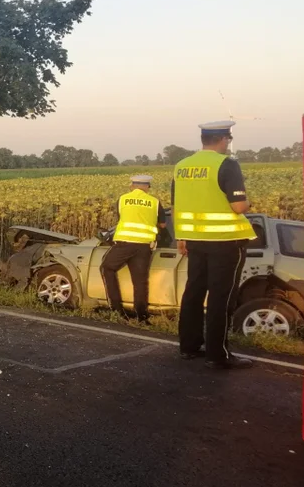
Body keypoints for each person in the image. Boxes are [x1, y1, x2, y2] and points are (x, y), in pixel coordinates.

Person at [172, 121, 256, 370]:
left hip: (194, 240)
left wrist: (181, 236)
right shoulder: (226, 163)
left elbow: (176, 206)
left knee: (194, 292)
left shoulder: (181, 166)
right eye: (228, 140)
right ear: (223, 139)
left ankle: (188, 347)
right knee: (222, 297)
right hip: (225, 242)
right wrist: (249, 202)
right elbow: (238, 206)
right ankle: (217, 354)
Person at [100, 174, 165, 323]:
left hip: (125, 244)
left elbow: (122, 218)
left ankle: (117, 309)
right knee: (140, 281)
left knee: (107, 268)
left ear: (133, 186)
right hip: (144, 246)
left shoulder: (123, 199)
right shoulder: (155, 202)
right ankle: (141, 316)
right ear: (147, 187)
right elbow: (162, 225)